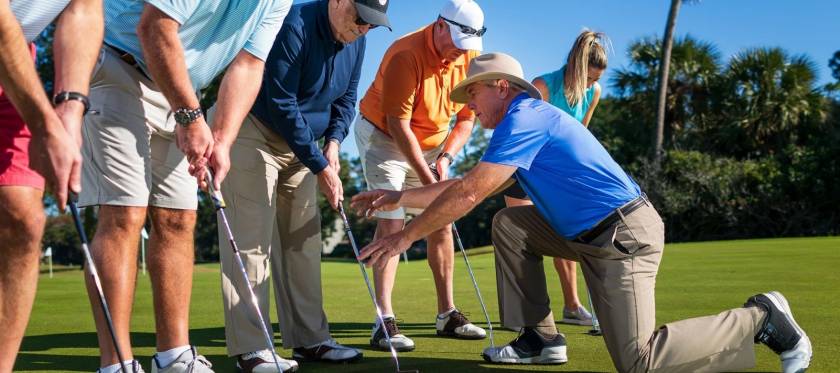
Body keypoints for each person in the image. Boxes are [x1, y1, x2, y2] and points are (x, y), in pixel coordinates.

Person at [351, 52, 812, 373]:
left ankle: (762, 319)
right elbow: (467, 185)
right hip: (584, 236)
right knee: (510, 224)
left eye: (472, 95)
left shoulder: (525, 116)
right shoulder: (521, 124)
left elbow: (470, 193)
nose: (467, 106)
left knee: (639, 362)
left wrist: (402, 236)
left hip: (622, 238)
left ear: (499, 87)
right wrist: (395, 199)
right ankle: (541, 339)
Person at [79, 1, 291, 372]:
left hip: (177, 88)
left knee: (179, 218)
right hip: (119, 64)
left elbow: (249, 64)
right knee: (124, 212)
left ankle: (174, 356)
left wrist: (222, 139)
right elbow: (154, 27)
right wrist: (192, 118)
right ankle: (116, 363)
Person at [213, 0, 389, 371]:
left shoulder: (358, 39)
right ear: (338, 1)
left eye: (372, 24)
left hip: (304, 145)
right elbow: (281, 101)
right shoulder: (293, 23)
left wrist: (334, 145)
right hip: (253, 131)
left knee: (303, 243)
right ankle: (252, 348)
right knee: (251, 242)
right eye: (360, 18)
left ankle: (310, 341)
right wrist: (320, 165)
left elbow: (346, 100)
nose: (364, 28)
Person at [353, 0, 487, 351]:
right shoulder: (405, 54)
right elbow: (398, 125)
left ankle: (447, 314)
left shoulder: (468, 56)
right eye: (456, 41)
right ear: (440, 25)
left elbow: (466, 119)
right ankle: (383, 320)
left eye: (467, 45)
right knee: (392, 221)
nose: (461, 52)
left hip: (432, 145)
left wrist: (444, 158)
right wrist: (427, 179)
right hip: (384, 137)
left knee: (441, 219)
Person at [0, 1, 102, 371]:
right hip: (5, 42)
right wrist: (44, 126)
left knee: (23, 217)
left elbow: (84, 10)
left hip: (12, 59)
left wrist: (70, 108)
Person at [502, 30, 609, 326]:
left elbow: (580, 137)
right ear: (576, 66)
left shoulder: (594, 93)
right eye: (589, 78)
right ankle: (523, 313)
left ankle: (572, 306)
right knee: (522, 239)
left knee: (567, 232)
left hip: (558, 176)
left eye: (596, 80)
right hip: (525, 170)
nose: (592, 85)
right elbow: (521, 134)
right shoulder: (542, 86)